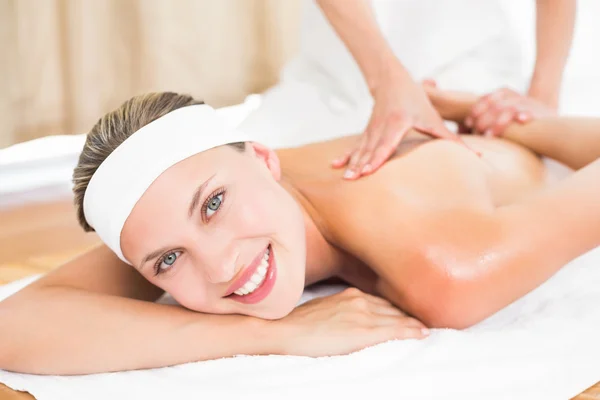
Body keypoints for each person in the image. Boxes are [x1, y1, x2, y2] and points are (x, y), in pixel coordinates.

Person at [0, 88, 598, 376]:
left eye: (212, 205)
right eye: (166, 261)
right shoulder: (188, 199)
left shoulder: (446, 269)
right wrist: (280, 335)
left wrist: (534, 129)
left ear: (265, 159)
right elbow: (14, 326)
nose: (219, 268)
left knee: (519, 134)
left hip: (491, 148)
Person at [240, 0, 576, 179]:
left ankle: (450, 105)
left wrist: (541, 99)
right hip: (332, 76)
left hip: (465, 61)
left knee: (460, 184)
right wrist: (387, 81)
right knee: (242, 174)